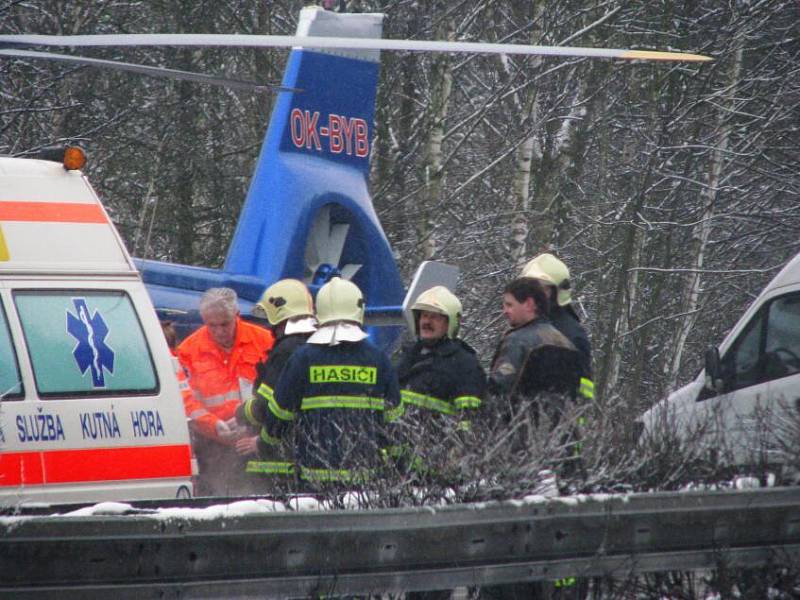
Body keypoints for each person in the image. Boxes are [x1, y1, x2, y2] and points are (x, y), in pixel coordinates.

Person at [264, 277, 401, 489]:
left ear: (319, 312)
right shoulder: (378, 359)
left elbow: (279, 416)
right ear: (359, 309)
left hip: (313, 481)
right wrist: (398, 466)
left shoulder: (303, 358)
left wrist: (264, 444)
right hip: (365, 482)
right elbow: (394, 421)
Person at [177, 287, 274, 496]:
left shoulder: (264, 341)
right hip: (212, 447)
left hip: (257, 441)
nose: (220, 331)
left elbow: (277, 391)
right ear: (204, 320)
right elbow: (184, 400)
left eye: (225, 324)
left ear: (236, 315)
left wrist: (255, 427)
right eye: (212, 325)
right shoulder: (189, 351)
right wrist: (214, 425)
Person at [396, 286, 486, 474]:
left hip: (437, 466)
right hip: (400, 463)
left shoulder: (464, 364)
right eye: (424, 316)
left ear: (450, 323)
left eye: (434, 317)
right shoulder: (406, 356)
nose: (426, 322)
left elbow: (469, 420)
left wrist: (452, 459)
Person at [236, 279, 317, 484]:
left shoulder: (286, 350)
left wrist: (241, 414)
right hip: (308, 449)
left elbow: (266, 406)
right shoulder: (318, 344)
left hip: (278, 459)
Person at [520, 253, 594, 402]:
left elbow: (584, 384)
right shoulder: (527, 323)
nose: (533, 295)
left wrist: (580, 419)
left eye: (540, 289)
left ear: (557, 292)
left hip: (552, 417)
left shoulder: (571, 334)